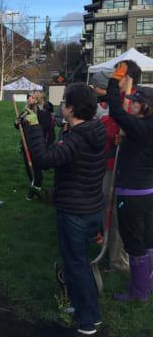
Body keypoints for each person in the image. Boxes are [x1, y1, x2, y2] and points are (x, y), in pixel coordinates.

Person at [25, 83, 106, 335]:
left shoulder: (77, 138)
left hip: (75, 212)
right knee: (81, 262)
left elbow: (44, 159)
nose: (61, 107)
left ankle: (88, 322)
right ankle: (90, 310)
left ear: (71, 108)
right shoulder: (96, 130)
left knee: (76, 265)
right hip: (92, 208)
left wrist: (35, 128)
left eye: (63, 103)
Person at [106, 61, 153, 302]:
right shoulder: (145, 126)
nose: (131, 102)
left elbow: (114, 109)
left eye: (135, 101)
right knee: (147, 240)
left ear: (144, 107)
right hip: (148, 193)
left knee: (134, 243)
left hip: (132, 195)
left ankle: (138, 292)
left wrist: (115, 79)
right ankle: (147, 283)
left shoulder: (140, 127)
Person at [91, 71, 131, 273]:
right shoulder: (116, 101)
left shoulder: (130, 102)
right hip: (107, 163)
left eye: (120, 77)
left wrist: (104, 125)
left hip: (119, 167)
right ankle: (108, 251)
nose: (117, 81)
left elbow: (120, 129)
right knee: (106, 209)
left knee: (115, 214)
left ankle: (118, 261)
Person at [14, 91, 54, 200]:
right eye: (28, 97)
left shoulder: (43, 112)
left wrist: (33, 123)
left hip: (38, 144)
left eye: (32, 97)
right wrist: (17, 122)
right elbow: (19, 126)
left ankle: (36, 187)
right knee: (28, 166)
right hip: (26, 143)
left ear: (38, 99)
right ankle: (33, 183)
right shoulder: (25, 111)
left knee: (35, 166)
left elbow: (46, 129)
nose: (29, 99)